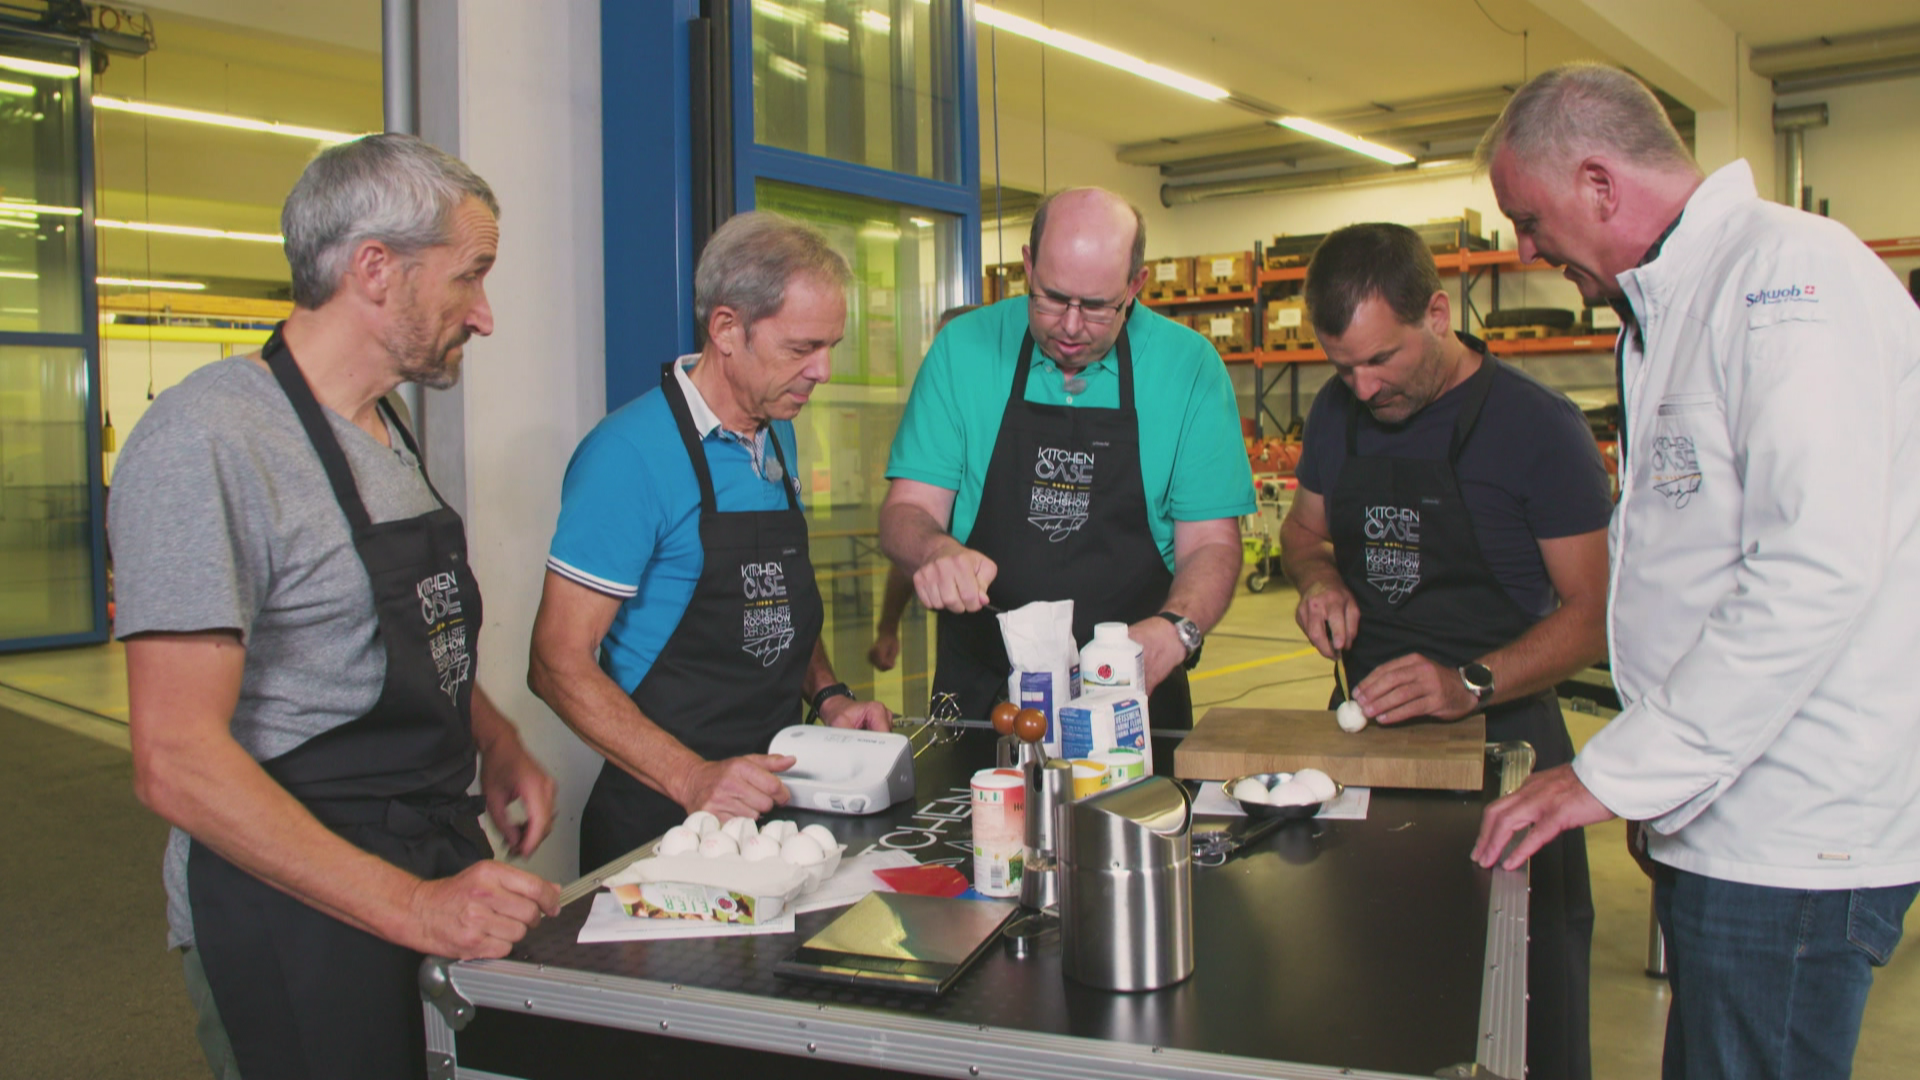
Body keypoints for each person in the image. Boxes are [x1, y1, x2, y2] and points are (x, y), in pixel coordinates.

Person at [1470, 63, 1920, 1080]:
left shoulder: (1789, 278)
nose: (1525, 251)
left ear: (1598, 183)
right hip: (1727, 812)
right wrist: (1664, 792)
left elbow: (1812, 568)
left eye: (1529, 220)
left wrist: (1617, 772)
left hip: (1791, 839)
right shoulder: (1680, 300)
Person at [111, 133, 561, 1080]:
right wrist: (412, 908)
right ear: (374, 269)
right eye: (468, 277)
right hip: (288, 908)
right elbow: (176, 762)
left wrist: (493, 736)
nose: (483, 316)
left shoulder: (383, 426)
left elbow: (369, 631)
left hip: (418, 855)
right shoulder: (209, 440)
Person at [1279, 222, 1612, 1080]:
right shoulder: (1337, 413)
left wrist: (1469, 682)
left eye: (1381, 360)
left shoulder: (1538, 430)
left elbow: (1593, 614)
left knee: (1522, 1013)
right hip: (1366, 756)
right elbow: (1305, 532)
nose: (1363, 385)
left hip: (1511, 755)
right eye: (1341, 367)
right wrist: (1320, 581)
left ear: (1437, 310)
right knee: (1367, 1003)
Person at [530, 212, 892, 871]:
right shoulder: (628, 456)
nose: (824, 371)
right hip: (664, 826)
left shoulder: (773, 431)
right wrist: (692, 778)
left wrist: (830, 695)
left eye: (831, 346)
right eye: (801, 348)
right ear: (727, 329)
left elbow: (775, 596)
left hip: (774, 803)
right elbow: (556, 663)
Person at [880, 188, 1253, 728]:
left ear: (1135, 284)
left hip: (1133, 696)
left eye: (1098, 307)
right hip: (984, 698)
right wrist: (933, 548)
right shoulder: (963, 350)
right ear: (1028, 266)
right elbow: (906, 509)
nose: (1071, 327)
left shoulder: (1188, 369)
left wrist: (1178, 629)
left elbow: (1213, 543)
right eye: (1051, 298)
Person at [867, 303, 979, 672]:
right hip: (966, 639)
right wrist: (887, 629)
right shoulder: (933, 436)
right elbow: (911, 542)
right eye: (938, 350)